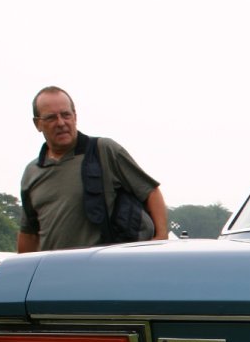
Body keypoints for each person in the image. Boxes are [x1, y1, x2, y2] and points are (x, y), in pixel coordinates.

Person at [18, 86, 169, 252]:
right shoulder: (31, 172)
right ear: (38, 124)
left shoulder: (104, 150)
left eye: (66, 114)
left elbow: (150, 192)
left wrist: (160, 240)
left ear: (75, 116)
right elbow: (29, 233)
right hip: (54, 271)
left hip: (102, 268)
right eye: (51, 118)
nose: (61, 123)